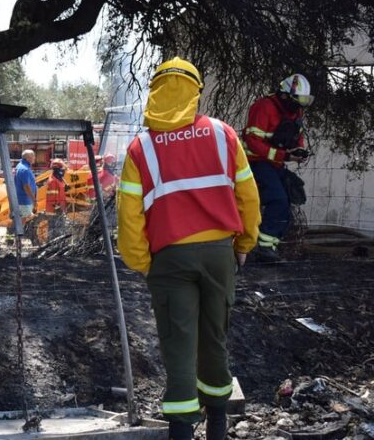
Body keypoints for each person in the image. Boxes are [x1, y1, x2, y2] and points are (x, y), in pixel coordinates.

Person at [117, 57, 261, 440]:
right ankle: (217, 425)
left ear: (155, 92)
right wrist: (244, 243)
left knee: (178, 346)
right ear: (195, 92)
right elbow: (248, 195)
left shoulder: (140, 148)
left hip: (169, 258)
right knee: (214, 339)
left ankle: (180, 432)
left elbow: (129, 217)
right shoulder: (223, 134)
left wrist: (142, 263)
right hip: (219, 254)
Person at [242, 74, 312, 262]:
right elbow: (252, 141)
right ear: (284, 96)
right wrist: (285, 156)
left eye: (303, 102)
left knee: (290, 197)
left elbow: (297, 134)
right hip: (255, 162)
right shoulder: (264, 107)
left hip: (275, 164)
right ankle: (263, 248)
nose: (300, 107)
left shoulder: (295, 110)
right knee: (278, 199)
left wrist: (299, 150)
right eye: (297, 101)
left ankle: (270, 245)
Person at [14, 149, 38, 243]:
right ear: (28, 158)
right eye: (33, 156)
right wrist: (34, 199)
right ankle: (18, 240)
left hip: (23, 199)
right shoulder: (24, 169)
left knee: (24, 218)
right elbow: (26, 186)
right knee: (24, 219)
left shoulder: (20, 167)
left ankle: (18, 239)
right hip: (24, 200)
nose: (34, 158)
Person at [44, 158, 68, 240]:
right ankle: (53, 246)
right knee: (55, 231)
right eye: (62, 169)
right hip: (54, 211)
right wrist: (58, 208)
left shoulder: (58, 179)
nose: (63, 171)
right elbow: (52, 198)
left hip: (58, 209)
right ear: (57, 169)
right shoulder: (53, 181)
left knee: (59, 230)